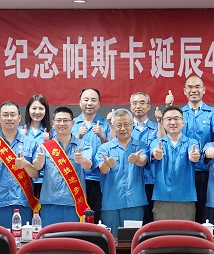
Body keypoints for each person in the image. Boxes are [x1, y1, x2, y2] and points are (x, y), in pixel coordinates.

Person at [164, 75, 214, 223]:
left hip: (206, 170)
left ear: (204, 90)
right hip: (183, 170)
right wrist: (168, 109)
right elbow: (169, 136)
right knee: (185, 212)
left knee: (205, 212)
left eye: (197, 87)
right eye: (190, 87)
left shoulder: (212, 113)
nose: (194, 90)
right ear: (185, 91)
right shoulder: (179, 114)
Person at [0, 101, 40, 231]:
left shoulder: (31, 143)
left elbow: (36, 174)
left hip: (23, 203)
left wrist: (26, 165)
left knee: (24, 241)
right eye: (5, 115)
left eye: (13, 115)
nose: (9, 118)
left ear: (19, 118)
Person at [33, 106, 94, 225]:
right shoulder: (45, 146)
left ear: (72, 123)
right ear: (53, 123)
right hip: (50, 202)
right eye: (59, 120)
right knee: (49, 237)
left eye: (65, 120)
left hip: (74, 203)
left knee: (73, 237)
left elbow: (88, 165)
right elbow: (37, 167)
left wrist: (82, 160)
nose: (62, 123)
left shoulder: (83, 145)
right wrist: (39, 160)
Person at [95, 109, 150, 237]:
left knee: (132, 241)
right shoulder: (105, 148)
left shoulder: (141, 146)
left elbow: (143, 161)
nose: (123, 128)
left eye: (126, 124)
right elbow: (102, 169)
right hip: (111, 203)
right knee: (111, 242)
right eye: (118, 125)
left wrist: (137, 160)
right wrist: (107, 164)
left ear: (132, 125)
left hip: (135, 203)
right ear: (113, 126)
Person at [150, 106, 200, 221]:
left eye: (176, 118)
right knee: (162, 232)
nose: (173, 122)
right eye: (168, 119)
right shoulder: (156, 143)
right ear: (163, 123)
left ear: (183, 122)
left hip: (185, 198)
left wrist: (194, 155)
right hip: (162, 198)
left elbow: (195, 153)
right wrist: (155, 153)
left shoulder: (192, 142)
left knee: (185, 232)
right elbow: (153, 152)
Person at [72, 88, 111, 223]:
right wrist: (77, 136)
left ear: (99, 104)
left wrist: (102, 136)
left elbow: (113, 149)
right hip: (75, 178)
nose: (89, 103)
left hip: (97, 179)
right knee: (76, 217)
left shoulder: (106, 124)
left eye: (93, 100)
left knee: (96, 217)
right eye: (86, 99)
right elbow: (62, 149)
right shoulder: (71, 124)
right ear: (79, 102)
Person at [130, 91, 158, 224]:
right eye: (134, 103)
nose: (138, 106)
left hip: (152, 180)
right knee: (134, 222)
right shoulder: (125, 129)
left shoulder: (158, 128)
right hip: (132, 180)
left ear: (149, 106)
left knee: (152, 221)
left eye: (142, 103)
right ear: (130, 106)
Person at [20, 94, 51, 199]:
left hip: (45, 181)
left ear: (46, 111)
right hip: (24, 180)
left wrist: (49, 142)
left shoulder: (53, 132)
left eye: (41, 108)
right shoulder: (19, 131)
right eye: (34, 108)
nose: (37, 112)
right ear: (28, 110)